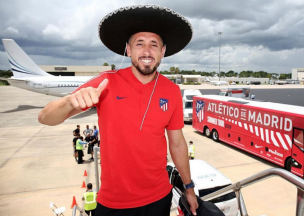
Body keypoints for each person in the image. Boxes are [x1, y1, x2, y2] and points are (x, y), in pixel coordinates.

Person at [38, 5, 198, 216]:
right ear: (129, 50)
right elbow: (45, 118)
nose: (147, 51)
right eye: (139, 44)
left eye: (154, 44)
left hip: (159, 197)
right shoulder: (106, 82)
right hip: (114, 203)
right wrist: (69, 101)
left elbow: (176, 143)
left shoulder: (172, 90)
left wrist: (189, 188)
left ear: (163, 51)